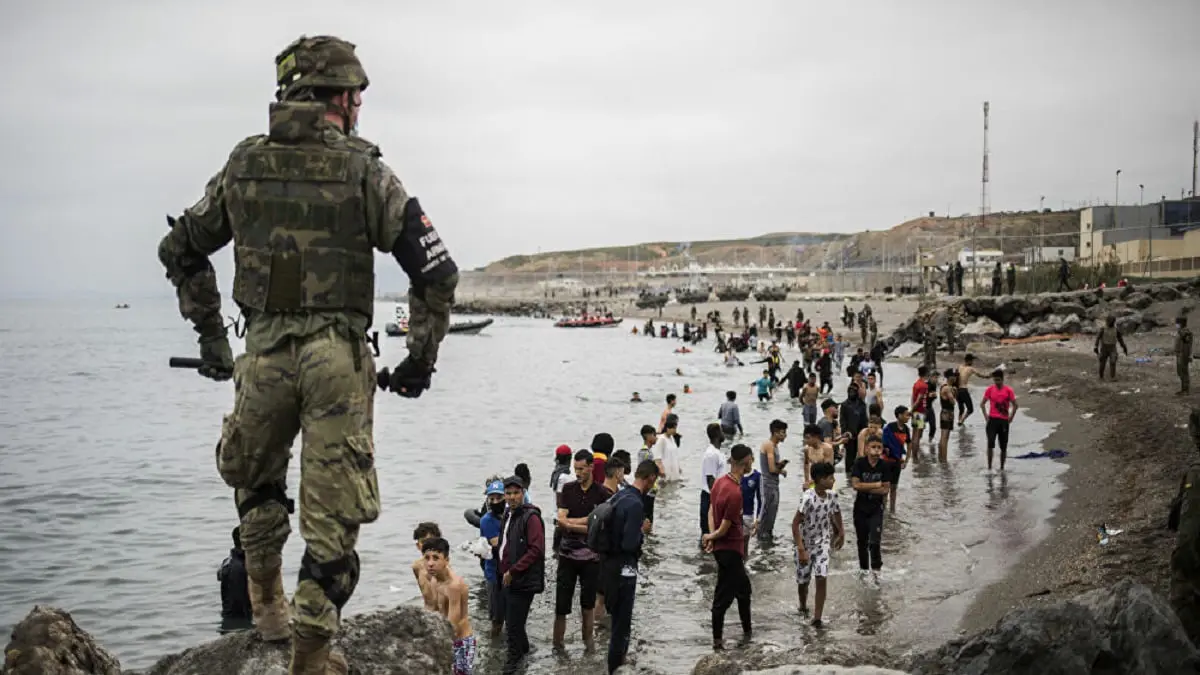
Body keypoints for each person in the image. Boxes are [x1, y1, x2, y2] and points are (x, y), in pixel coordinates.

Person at [156, 35, 460, 672]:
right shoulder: (366, 170)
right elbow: (436, 272)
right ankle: (311, 659)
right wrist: (419, 361)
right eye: (356, 97)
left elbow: (180, 248)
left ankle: (267, 607)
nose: (359, 108)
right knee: (332, 525)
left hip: (262, 357)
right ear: (340, 98)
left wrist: (212, 339)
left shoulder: (243, 165)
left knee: (255, 479)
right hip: (336, 366)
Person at [602, 460, 660, 673]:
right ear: (651, 478)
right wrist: (642, 530)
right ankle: (615, 668)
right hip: (624, 568)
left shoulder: (619, 495)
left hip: (607, 565)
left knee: (615, 622)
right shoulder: (636, 504)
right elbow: (629, 544)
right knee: (621, 625)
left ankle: (615, 665)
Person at [554, 450, 611, 652]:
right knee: (561, 607)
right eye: (575, 469)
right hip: (566, 556)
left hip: (591, 558)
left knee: (588, 606)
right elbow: (561, 519)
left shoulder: (602, 493)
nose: (578, 473)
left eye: (581, 469)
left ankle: (589, 646)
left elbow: (598, 527)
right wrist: (585, 522)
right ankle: (557, 647)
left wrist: (571, 525)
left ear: (591, 467)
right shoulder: (568, 489)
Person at [703, 444, 755, 650]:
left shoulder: (719, 482)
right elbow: (725, 528)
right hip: (730, 550)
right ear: (745, 462)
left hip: (722, 548)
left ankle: (747, 633)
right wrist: (712, 536)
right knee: (723, 598)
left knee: (744, 590)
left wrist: (711, 536)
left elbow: (711, 510)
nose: (752, 462)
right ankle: (718, 641)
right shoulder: (735, 493)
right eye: (751, 459)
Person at [499, 475, 545, 674]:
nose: (512, 497)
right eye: (508, 493)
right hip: (507, 578)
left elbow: (536, 550)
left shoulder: (531, 517)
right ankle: (525, 652)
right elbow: (505, 544)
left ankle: (512, 665)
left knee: (513, 627)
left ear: (523, 493)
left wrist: (514, 570)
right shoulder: (508, 514)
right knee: (514, 623)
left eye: (516, 493)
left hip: (522, 580)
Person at [791, 461, 843, 626]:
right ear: (820, 479)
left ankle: (817, 617)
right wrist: (801, 549)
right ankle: (803, 605)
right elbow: (795, 524)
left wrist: (841, 532)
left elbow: (836, 512)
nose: (833, 480)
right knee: (803, 581)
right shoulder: (808, 498)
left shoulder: (832, 496)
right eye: (830, 478)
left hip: (823, 544)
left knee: (821, 577)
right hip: (805, 544)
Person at [421, 537, 475, 675]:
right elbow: (434, 609)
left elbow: (453, 625)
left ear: (447, 560)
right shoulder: (434, 579)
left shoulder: (453, 586)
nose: (430, 563)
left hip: (461, 642)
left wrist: (439, 644)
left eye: (436, 558)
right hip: (445, 637)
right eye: (427, 558)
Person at [850, 435, 891, 583]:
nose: (876, 450)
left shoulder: (884, 466)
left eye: (879, 447)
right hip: (860, 507)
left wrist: (865, 487)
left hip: (876, 508)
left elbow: (885, 489)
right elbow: (855, 485)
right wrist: (876, 485)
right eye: (873, 447)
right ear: (867, 448)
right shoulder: (859, 463)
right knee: (862, 542)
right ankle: (863, 571)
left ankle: (876, 571)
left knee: (875, 541)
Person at [477, 481, 507, 637]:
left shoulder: (511, 515)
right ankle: (494, 642)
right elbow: (497, 544)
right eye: (492, 498)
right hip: (494, 572)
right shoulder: (487, 520)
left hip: (512, 571)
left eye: (499, 498)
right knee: (496, 618)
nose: (495, 502)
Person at [757, 420, 790, 544]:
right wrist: (781, 469)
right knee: (766, 516)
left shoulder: (774, 446)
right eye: (783, 432)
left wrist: (781, 467)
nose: (785, 435)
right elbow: (771, 469)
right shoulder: (769, 445)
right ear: (775, 432)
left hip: (773, 484)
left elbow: (773, 466)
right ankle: (762, 542)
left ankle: (767, 544)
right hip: (768, 484)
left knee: (771, 516)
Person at [980, 369, 1018, 471]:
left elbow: (1015, 405)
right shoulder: (990, 390)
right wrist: (986, 416)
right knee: (990, 444)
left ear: (1002, 379)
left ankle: (1002, 468)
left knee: (1003, 446)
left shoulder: (1008, 391)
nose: (996, 382)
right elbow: (982, 404)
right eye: (995, 380)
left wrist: (1011, 417)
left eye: (998, 380)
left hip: (1003, 421)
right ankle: (989, 467)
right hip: (992, 420)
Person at [218, 526, 253, 628]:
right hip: (238, 622)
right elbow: (238, 602)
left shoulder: (228, 560)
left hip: (228, 617)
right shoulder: (238, 568)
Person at [700, 423, 728, 538]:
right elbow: (710, 481)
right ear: (717, 434)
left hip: (716, 497)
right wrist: (717, 502)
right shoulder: (711, 454)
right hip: (711, 498)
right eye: (722, 431)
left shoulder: (718, 453)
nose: (724, 434)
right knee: (708, 533)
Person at [881, 407, 912, 512]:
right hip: (886, 462)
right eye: (906, 415)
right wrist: (886, 449)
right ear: (899, 415)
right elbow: (883, 443)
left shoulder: (906, 429)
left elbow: (909, 444)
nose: (908, 417)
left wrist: (906, 460)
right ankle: (883, 510)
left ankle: (892, 511)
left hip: (897, 462)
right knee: (885, 488)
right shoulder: (889, 427)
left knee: (894, 487)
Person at [839, 385, 868, 475]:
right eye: (850, 391)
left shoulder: (862, 404)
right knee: (849, 457)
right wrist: (845, 433)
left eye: (853, 391)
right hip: (849, 435)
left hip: (861, 434)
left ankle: (860, 474)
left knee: (862, 455)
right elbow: (842, 420)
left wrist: (866, 432)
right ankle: (848, 476)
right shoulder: (844, 405)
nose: (852, 393)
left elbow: (864, 419)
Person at [1094, 316, 1129, 380]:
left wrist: (1124, 347)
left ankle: (1112, 377)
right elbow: (1098, 337)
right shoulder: (1103, 329)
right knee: (1102, 363)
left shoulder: (1116, 330)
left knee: (1113, 361)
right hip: (1104, 348)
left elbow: (1120, 339)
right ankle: (1101, 376)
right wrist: (1096, 346)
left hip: (1112, 347)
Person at [740, 463, 764, 557]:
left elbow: (761, 499)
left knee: (744, 547)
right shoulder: (735, 474)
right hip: (733, 514)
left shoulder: (757, 476)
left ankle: (744, 564)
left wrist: (758, 520)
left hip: (747, 515)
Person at [802, 423, 834, 488]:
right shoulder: (807, 449)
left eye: (808, 438)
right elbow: (806, 464)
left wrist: (811, 482)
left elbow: (828, 470)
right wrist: (806, 481)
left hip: (826, 481)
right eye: (804, 438)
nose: (805, 441)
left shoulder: (827, 448)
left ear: (816, 437)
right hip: (814, 481)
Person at [938, 369, 957, 462]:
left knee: (945, 437)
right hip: (946, 413)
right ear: (949, 377)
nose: (955, 378)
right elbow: (953, 401)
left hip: (948, 413)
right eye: (954, 376)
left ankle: (941, 458)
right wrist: (954, 392)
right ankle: (944, 460)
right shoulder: (947, 388)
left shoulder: (948, 387)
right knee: (944, 438)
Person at [910, 366, 929, 458]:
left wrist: (912, 409)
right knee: (917, 435)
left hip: (915, 411)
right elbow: (918, 400)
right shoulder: (924, 385)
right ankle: (915, 457)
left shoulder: (916, 384)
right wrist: (911, 410)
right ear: (926, 373)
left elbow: (912, 398)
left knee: (914, 434)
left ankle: (913, 455)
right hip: (920, 412)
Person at [957, 354, 980, 426]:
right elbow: (980, 375)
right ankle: (961, 421)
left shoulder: (959, 367)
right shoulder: (970, 368)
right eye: (972, 360)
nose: (973, 362)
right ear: (969, 361)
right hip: (963, 390)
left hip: (957, 390)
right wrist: (989, 376)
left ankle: (960, 423)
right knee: (970, 409)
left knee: (961, 409)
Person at [659, 414, 684, 481]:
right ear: (668, 428)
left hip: (673, 471)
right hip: (665, 472)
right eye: (674, 428)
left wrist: (678, 467)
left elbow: (675, 454)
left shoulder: (672, 438)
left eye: (676, 428)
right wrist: (661, 469)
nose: (675, 430)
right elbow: (657, 457)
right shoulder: (661, 439)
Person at [1179, 315, 1194, 395]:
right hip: (1183, 353)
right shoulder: (1183, 331)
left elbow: (1186, 341)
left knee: (1184, 372)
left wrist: (1189, 355)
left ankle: (1186, 390)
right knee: (1182, 372)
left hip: (1185, 354)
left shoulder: (1186, 332)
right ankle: (1183, 389)